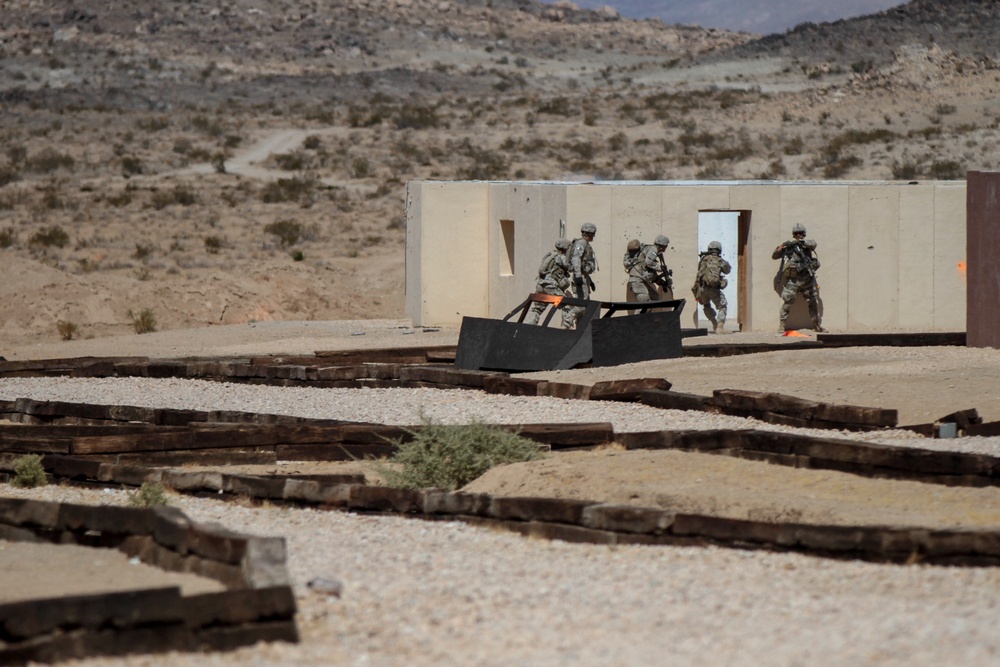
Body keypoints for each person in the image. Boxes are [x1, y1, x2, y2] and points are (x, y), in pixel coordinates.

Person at [772, 223, 824, 332]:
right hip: (793, 281)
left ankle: (816, 325)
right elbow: (775, 256)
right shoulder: (790, 247)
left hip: (807, 280)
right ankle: (782, 325)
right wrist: (782, 246)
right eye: (797, 233)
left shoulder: (807, 245)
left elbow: (813, 244)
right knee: (787, 302)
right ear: (794, 234)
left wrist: (801, 242)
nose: (799, 235)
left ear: (804, 234)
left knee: (813, 302)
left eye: (801, 233)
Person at [525, 238, 571, 325]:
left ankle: (530, 326)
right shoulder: (561, 257)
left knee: (538, 308)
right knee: (566, 303)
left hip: (541, 285)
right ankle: (567, 328)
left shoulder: (550, 255)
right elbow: (569, 267)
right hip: (551, 286)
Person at [691, 240, 732, 333]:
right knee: (722, 306)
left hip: (702, 288)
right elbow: (727, 270)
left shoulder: (703, 260)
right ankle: (720, 327)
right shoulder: (720, 261)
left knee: (706, 305)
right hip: (714, 289)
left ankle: (714, 323)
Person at [562, 222, 597, 329]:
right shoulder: (581, 243)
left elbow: (583, 263)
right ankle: (566, 324)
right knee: (582, 305)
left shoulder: (585, 244)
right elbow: (576, 259)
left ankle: (580, 329)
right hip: (580, 278)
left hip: (583, 277)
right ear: (589, 233)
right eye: (593, 233)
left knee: (584, 307)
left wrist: (589, 281)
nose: (594, 235)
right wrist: (577, 275)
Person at [623, 235, 671, 303]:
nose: (665, 248)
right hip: (637, 280)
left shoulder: (649, 250)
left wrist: (662, 283)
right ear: (662, 245)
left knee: (655, 298)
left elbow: (651, 273)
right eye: (666, 246)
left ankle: (649, 313)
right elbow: (648, 262)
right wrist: (660, 268)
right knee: (645, 304)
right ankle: (640, 314)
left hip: (641, 279)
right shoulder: (654, 250)